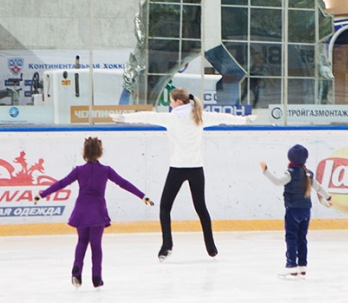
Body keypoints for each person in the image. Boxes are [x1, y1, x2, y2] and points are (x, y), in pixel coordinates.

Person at [111, 87, 254, 261]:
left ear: (179, 102)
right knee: (201, 208)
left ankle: (167, 246)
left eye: (171, 101)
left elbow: (147, 116)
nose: (170, 105)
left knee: (165, 207)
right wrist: (244, 120)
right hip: (196, 169)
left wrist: (124, 118)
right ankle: (211, 247)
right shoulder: (200, 116)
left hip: (177, 169)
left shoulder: (172, 119)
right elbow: (223, 118)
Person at [34, 136, 154, 290]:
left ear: (84, 152)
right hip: (97, 211)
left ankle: (77, 270)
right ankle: (96, 277)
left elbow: (61, 183)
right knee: (96, 245)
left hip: (81, 210)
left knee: (82, 241)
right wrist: (142, 196)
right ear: (99, 152)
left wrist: (42, 194)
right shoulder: (106, 171)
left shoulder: (79, 170)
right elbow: (123, 183)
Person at [260, 144, 332, 277]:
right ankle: (302, 266)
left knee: (291, 237)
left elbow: (277, 182)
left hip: (293, 210)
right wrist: (328, 197)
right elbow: (318, 188)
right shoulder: (308, 174)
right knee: (302, 238)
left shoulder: (290, 173)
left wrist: (265, 171)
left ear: (290, 159)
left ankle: (291, 265)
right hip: (306, 211)